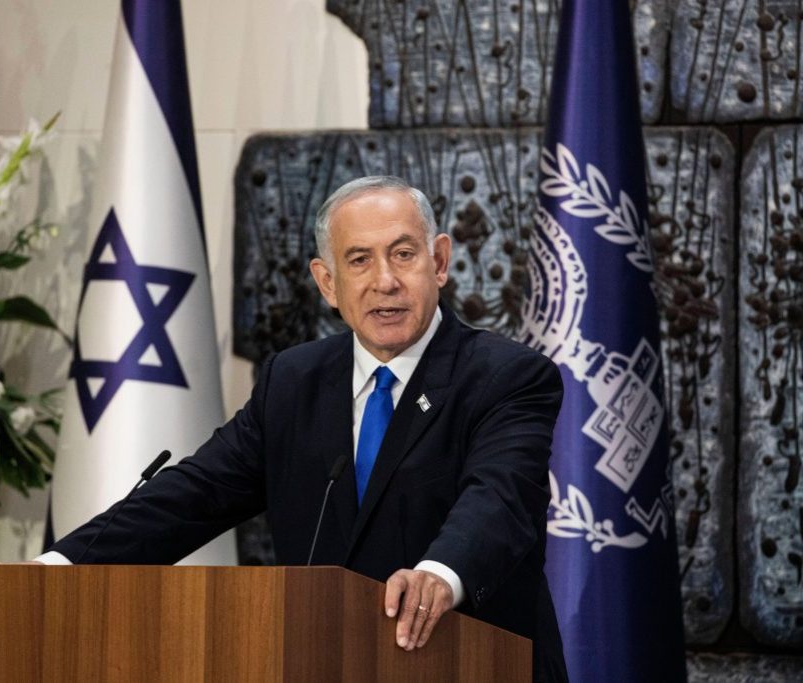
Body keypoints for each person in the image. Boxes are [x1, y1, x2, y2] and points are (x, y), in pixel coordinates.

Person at [40, 176, 568, 682]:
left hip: (473, 663)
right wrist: (62, 564)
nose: (385, 280)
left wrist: (440, 574)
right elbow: (196, 493)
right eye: (359, 260)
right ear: (328, 283)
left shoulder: (506, 377)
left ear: (440, 261)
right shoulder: (294, 382)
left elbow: (498, 499)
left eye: (404, 254)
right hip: (327, 664)